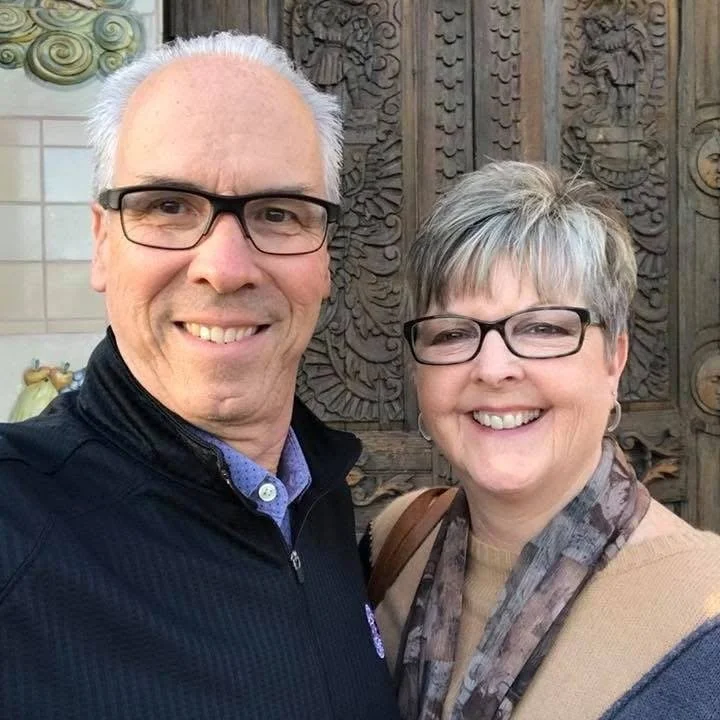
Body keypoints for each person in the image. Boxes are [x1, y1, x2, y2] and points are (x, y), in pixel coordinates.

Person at [0, 32, 400, 720]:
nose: (225, 267)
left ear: (325, 259)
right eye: (167, 206)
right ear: (101, 242)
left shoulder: (321, 501)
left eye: (277, 213)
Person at [363, 161, 720, 720]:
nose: (493, 368)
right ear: (419, 374)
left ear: (614, 359)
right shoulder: (395, 543)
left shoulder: (703, 607)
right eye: (453, 333)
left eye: (544, 328)